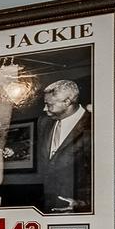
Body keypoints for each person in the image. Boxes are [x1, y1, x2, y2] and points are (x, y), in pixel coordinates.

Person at [36, 79, 91, 213]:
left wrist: (83, 203)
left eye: (49, 105)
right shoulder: (43, 122)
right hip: (47, 206)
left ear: (67, 102)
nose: (44, 109)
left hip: (78, 208)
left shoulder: (94, 124)